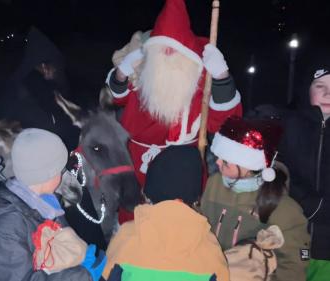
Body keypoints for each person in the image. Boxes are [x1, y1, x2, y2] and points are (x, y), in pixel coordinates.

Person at [105, 0, 242, 188]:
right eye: (162, 55)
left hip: (184, 169)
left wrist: (222, 78)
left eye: (175, 55)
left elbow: (226, 123)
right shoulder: (144, 80)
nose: (168, 62)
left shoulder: (200, 85)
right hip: (140, 166)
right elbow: (116, 99)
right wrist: (121, 74)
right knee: (136, 213)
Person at [0, 128, 106, 281]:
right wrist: (82, 276)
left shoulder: (45, 205)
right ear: (48, 174)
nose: (63, 174)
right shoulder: (6, 228)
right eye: (60, 169)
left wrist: (79, 255)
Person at [200, 117, 310, 281]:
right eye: (219, 156)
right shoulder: (213, 184)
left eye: (226, 161)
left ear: (250, 166)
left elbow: (293, 265)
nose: (217, 162)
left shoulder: (284, 209)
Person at [102, 145, 229, 281]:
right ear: (193, 197)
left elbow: (107, 275)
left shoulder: (127, 235)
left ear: (150, 191)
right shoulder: (209, 246)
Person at [278, 63, 330, 281]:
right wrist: (312, 205)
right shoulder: (287, 126)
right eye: (320, 86)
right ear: (307, 90)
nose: (328, 93)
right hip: (290, 240)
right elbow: (278, 171)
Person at [0, 27, 80, 151]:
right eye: (55, 67)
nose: (57, 71)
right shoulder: (30, 88)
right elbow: (52, 124)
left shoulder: (46, 87)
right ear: (44, 67)